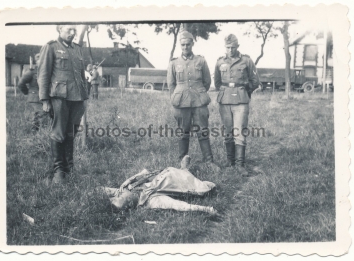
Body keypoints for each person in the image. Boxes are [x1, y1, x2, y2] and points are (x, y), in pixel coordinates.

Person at [38, 25, 89, 184]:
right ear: (59, 29)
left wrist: (84, 95)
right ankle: (58, 171)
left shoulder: (77, 49)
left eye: (74, 30)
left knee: (71, 133)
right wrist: (45, 100)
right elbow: (43, 74)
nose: (73, 33)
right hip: (59, 97)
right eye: (69, 30)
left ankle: (69, 168)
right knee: (58, 132)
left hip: (77, 98)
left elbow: (80, 75)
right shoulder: (51, 47)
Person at [95, 155, 217, 215]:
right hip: (175, 182)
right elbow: (178, 205)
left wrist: (129, 180)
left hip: (164, 172)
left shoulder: (126, 190)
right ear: (131, 205)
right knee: (199, 187)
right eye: (120, 197)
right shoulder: (151, 200)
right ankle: (184, 169)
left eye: (118, 195)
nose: (119, 193)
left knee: (173, 172)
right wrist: (206, 209)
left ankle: (183, 168)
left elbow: (145, 174)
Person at [214, 34, 260, 176]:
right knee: (228, 132)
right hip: (225, 100)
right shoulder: (219, 61)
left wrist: (245, 92)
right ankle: (230, 162)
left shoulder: (246, 60)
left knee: (239, 132)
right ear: (225, 47)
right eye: (228, 47)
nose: (230, 50)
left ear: (238, 46)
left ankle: (240, 164)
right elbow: (217, 82)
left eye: (233, 47)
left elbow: (255, 80)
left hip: (241, 100)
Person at [167, 31, 214, 164]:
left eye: (188, 44)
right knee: (183, 133)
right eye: (183, 45)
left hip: (199, 102)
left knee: (203, 131)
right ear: (180, 46)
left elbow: (207, 81)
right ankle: (183, 162)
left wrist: (199, 93)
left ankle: (209, 161)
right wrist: (176, 99)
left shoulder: (201, 60)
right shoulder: (174, 63)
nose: (185, 47)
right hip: (181, 103)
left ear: (192, 43)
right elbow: (171, 85)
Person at [18, 53, 47, 131]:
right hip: (35, 98)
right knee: (39, 115)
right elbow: (21, 83)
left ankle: (37, 134)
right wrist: (28, 92)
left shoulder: (47, 72)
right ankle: (35, 135)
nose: (42, 62)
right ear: (36, 61)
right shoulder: (31, 72)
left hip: (44, 98)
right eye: (39, 60)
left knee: (40, 116)